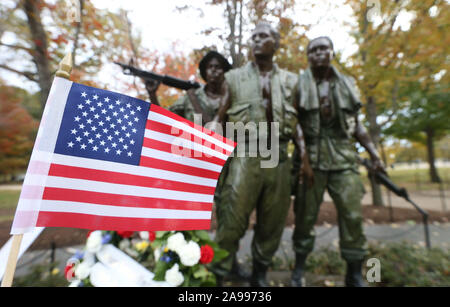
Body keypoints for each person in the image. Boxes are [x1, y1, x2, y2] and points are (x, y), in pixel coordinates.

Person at [212, 21, 311, 287]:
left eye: (263, 36)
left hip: (277, 154)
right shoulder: (233, 78)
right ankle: (219, 274)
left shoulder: (292, 81)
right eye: (253, 37)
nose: (256, 41)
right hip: (246, 152)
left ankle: (260, 274)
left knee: (272, 220)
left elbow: (298, 122)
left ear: (276, 42)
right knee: (232, 218)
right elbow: (219, 118)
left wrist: (304, 159)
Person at [291, 36, 386, 287]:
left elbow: (356, 126)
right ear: (307, 56)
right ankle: (298, 270)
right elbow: (294, 124)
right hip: (310, 155)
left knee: (352, 215)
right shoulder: (297, 83)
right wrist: (304, 161)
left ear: (332, 52)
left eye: (324, 48)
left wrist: (374, 154)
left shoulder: (347, 83)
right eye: (313, 50)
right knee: (305, 216)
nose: (319, 53)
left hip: (343, 157)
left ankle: (354, 272)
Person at [145, 50, 232, 124]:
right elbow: (163, 119)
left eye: (218, 67)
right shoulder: (191, 97)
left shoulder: (233, 97)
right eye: (210, 67)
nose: (213, 70)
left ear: (225, 72)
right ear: (205, 72)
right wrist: (152, 94)